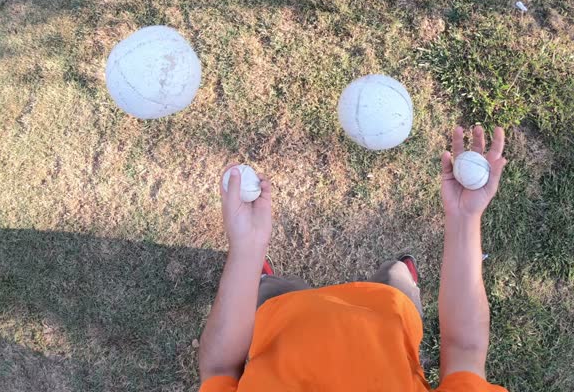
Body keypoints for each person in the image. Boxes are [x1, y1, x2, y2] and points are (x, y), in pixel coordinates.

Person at [198, 126, 508, 392]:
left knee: (271, 289)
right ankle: (403, 276)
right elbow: (464, 350)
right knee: (395, 277)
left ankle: (262, 279)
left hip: (280, 317)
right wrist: (465, 217)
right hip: (389, 308)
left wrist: (247, 249)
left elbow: (220, 370)